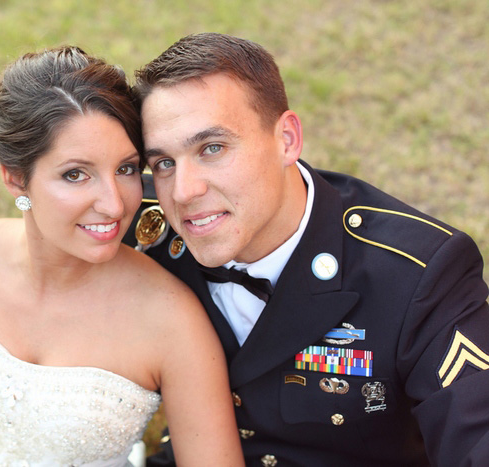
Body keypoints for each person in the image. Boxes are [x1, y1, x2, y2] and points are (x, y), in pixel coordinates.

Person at [130, 33, 489, 466]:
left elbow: (476, 435)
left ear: (286, 139)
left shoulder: (418, 273)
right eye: (164, 163)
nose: (183, 192)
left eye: (213, 148)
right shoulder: (144, 231)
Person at [0, 46, 245, 467]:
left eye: (126, 169)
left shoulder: (172, 322)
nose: (113, 205)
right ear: (16, 179)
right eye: (76, 174)